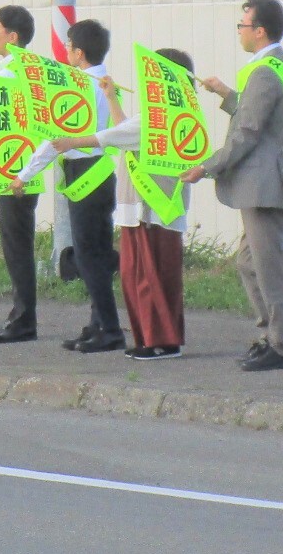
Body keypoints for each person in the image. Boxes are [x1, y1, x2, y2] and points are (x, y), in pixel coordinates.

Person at [181, 0, 283, 371]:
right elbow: (262, 115)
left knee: (266, 266)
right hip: (269, 181)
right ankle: (270, 334)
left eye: (242, 26)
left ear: (259, 31)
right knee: (248, 263)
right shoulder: (278, 67)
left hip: (266, 185)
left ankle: (282, 346)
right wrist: (227, 94)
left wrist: (206, 167)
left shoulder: (264, 72)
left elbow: (247, 131)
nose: (238, 32)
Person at [52, 46, 197, 360]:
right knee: (138, 278)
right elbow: (124, 132)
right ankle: (151, 339)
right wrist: (112, 98)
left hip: (154, 213)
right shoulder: (165, 115)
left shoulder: (164, 117)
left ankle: (163, 342)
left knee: (151, 280)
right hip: (143, 212)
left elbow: (112, 137)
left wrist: (71, 141)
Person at [14, 18, 123, 353]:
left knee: (89, 255)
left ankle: (111, 328)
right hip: (101, 172)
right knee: (98, 252)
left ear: (79, 52)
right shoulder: (106, 85)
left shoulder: (78, 87)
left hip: (84, 172)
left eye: (69, 47)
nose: (66, 53)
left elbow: (55, 138)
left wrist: (25, 174)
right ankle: (97, 324)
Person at [0, 4, 41, 343]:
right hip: (24, 168)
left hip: (12, 172)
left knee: (16, 247)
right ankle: (20, 317)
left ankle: (23, 321)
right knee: (20, 245)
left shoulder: (9, 74)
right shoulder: (33, 69)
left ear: (12, 36)